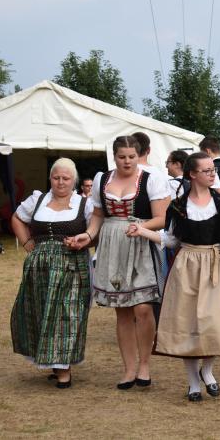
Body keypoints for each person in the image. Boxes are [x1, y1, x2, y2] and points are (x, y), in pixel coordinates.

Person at [128, 152, 220, 402]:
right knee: (187, 324)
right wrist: (142, 231)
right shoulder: (179, 206)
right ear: (193, 174)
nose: (213, 174)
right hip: (187, 265)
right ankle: (193, 383)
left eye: (213, 170)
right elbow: (171, 240)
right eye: (208, 171)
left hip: (214, 263)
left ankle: (208, 371)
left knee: (212, 323)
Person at [67, 135, 171, 388]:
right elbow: (99, 216)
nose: (127, 161)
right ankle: (128, 368)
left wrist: (140, 226)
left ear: (139, 156)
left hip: (141, 244)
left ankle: (144, 364)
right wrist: (88, 235)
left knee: (143, 308)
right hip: (112, 243)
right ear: (114, 156)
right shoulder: (103, 179)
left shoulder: (152, 179)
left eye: (131, 157)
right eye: (122, 157)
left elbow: (162, 218)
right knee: (122, 310)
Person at [10, 158, 94, 388]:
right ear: (50, 179)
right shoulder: (38, 200)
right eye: (56, 177)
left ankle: (64, 368)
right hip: (40, 269)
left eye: (65, 178)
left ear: (74, 180)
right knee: (42, 312)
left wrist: (81, 242)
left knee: (67, 314)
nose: (60, 182)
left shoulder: (83, 204)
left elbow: (93, 234)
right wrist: (27, 241)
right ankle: (54, 363)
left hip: (72, 267)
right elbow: (17, 218)